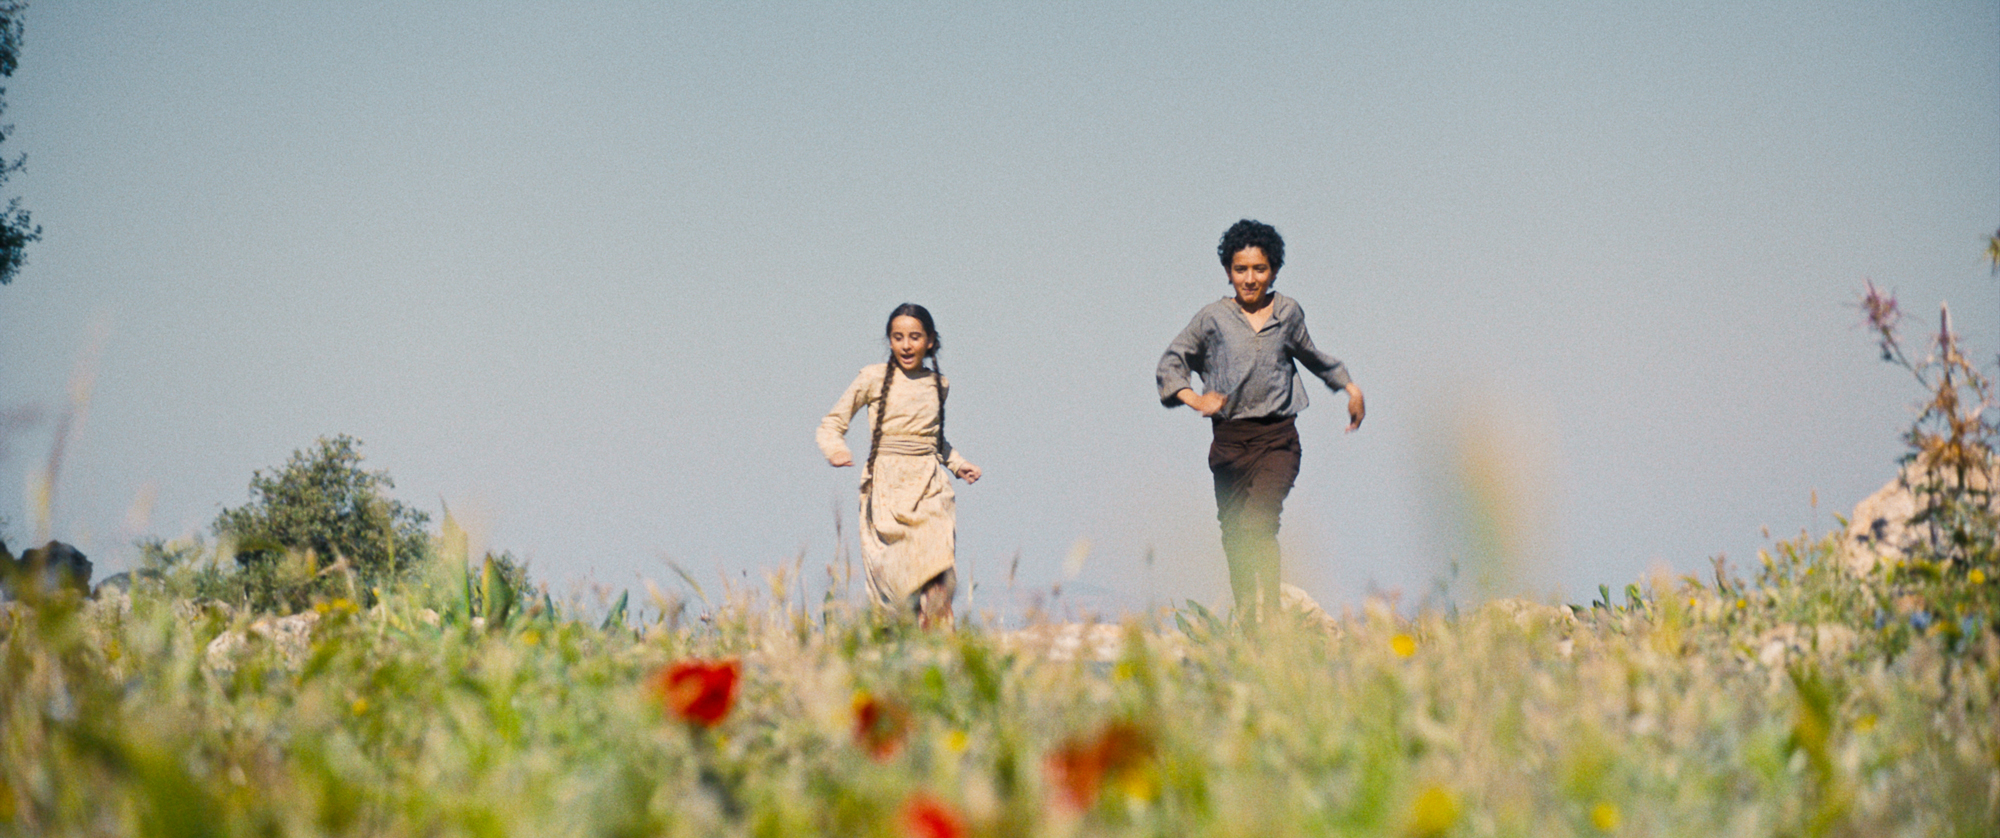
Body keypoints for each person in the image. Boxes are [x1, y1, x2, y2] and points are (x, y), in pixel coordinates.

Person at [1156, 219, 1365, 620]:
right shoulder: (1212, 319)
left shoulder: (1287, 313)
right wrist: (1193, 398)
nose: (1250, 279)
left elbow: (1312, 356)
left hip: (1277, 440)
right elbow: (1171, 361)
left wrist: (1349, 387)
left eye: (1259, 269)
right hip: (1229, 445)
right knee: (1234, 535)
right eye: (1241, 269)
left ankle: (1270, 615)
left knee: (1258, 524)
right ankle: (1248, 621)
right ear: (1228, 271)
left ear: (1273, 270)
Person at [818, 303, 981, 628]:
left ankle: (939, 650)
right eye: (898, 337)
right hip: (887, 488)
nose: (906, 345)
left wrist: (958, 464)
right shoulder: (872, 377)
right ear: (889, 341)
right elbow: (832, 423)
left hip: (931, 488)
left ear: (930, 341)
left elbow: (934, 440)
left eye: (915, 337)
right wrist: (835, 449)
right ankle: (898, 650)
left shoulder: (939, 384)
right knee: (895, 587)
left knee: (938, 573)